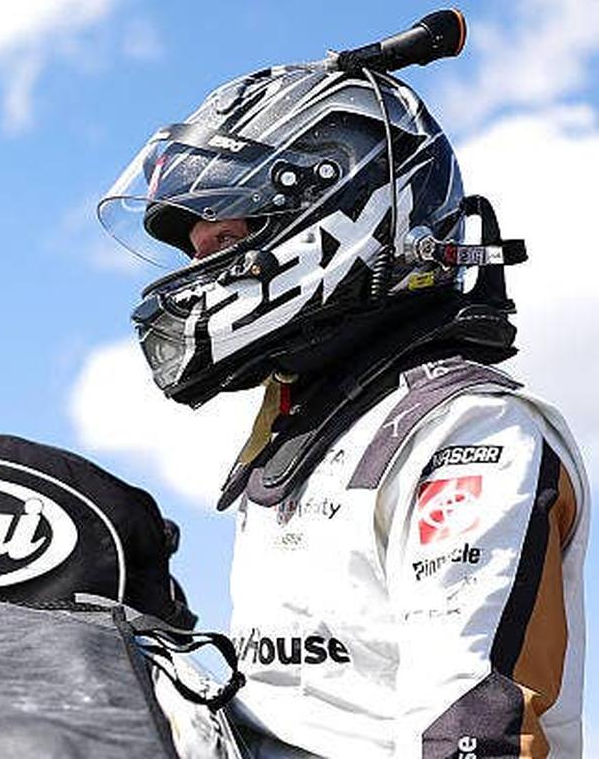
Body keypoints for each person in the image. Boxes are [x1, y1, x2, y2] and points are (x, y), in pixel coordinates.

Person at [98, 63, 588, 758]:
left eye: (229, 241)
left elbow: (471, 726)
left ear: (345, 215)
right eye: (198, 249)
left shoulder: (466, 428)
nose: (203, 271)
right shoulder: (305, 425)